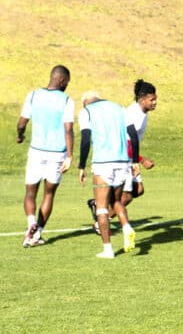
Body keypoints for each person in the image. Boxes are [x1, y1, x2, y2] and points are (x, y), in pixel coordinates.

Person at [87, 79, 158, 234]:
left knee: (138, 190)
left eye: (155, 99)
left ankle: (99, 205)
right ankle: (100, 222)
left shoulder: (141, 113)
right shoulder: (134, 114)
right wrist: (140, 160)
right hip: (124, 159)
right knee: (125, 198)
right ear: (142, 98)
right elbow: (126, 143)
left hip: (129, 158)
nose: (154, 103)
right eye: (152, 99)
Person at [17, 65, 74, 248]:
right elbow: (68, 129)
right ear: (62, 80)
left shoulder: (33, 95)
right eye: (67, 82)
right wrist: (70, 156)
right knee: (49, 194)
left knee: (30, 192)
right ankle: (37, 234)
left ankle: (31, 223)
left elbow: (22, 122)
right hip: (57, 153)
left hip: (36, 150)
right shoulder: (66, 100)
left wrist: (20, 135)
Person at [77, 91, 140, 259]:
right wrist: (135, 161)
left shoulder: (86, 112)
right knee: (116, 201)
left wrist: (81, 166)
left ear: (85, 102)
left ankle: (108, 250)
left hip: (102, 165)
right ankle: (127, 227)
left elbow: (85, 139)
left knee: (102, 208)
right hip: (122, 162)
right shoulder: (120, 108)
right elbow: (133, 135)